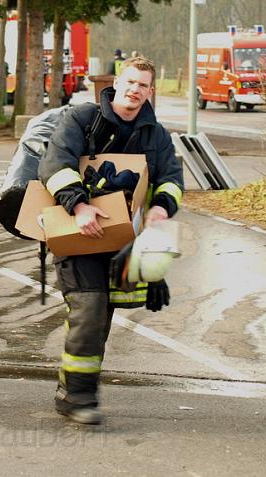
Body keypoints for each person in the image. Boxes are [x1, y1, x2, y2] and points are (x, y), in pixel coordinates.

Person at [38, 56, 184, 425]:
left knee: (101, 316)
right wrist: (79, 205)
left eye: (144, 85)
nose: (135, 90)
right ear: (116, 83)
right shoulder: (82, 119)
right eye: (131, 82)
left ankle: (70, 388)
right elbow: (54, 164)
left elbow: (171, 178)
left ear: (151, 92)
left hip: (123, 243)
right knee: (88, 311)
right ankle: (78, 399)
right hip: (79, 232)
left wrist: (162, 208)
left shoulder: (157, 135)